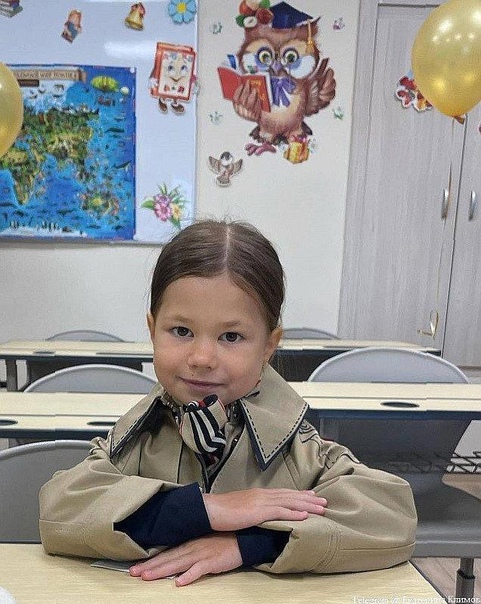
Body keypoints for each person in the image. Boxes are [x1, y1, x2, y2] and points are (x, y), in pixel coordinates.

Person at [39, 219, 417, 586]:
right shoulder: (135, 440)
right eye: (181, 331)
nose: (203, 358)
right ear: (152, 330)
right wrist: (208, 510)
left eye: (231, 337)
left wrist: (247, 545)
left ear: (269, 345)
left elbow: (391, 516)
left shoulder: (298, 450)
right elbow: (60, 509)